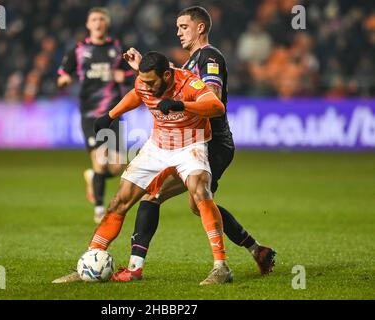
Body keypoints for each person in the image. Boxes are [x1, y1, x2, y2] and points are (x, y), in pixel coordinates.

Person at [112, 6, 276, 281]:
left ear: (200, 28)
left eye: (183, 26)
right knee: (196, 202)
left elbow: (210, 97)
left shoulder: (209, 57)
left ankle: (140, 268)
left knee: (156, 195)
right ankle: (256, 250)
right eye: (177, 27)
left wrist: (178, 104)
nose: (178, 32)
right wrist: (143, 67)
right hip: (195, 141)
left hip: (211, 141)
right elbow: (169, 80)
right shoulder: (190, 63)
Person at [54, 51, 233, 285]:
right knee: (120, 201)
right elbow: (136, 94)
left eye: (152, 82)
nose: (146, 86)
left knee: (200, 191)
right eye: (144, 81)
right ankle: (90, 261)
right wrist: (110, 115)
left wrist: (181, 104)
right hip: (157, 146)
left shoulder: (189, 82)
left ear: (167, 75)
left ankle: (221, 267)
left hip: (190, 144)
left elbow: (216, 106)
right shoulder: (144, 82)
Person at [57, 7, 134, 223]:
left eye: (101, 19)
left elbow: (132, 75)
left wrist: (124, 76)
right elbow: (63, 72)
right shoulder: (79, 50)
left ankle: (92, 177)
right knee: (100, 161)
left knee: (117, 167)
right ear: (88, 25)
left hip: (114, 113)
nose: (98, 23)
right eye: (94, 19)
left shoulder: (117, 49)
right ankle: (100, 209)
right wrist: (64, 80)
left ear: (106, 23)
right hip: (91, 115)